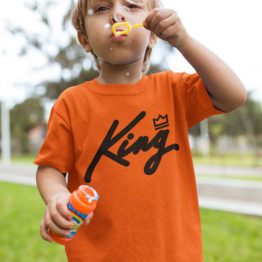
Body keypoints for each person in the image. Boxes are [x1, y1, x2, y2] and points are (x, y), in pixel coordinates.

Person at [34, 0, 247, 261]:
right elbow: (50, 168)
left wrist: (183, 41)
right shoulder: (71, 103)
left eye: (132, 5)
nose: (117, 15)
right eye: (102, 8)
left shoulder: (173, 91)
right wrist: (57, 196)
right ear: (85, 39)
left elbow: (233, 95)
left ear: (152, 35)